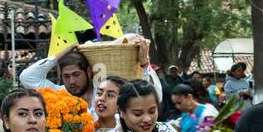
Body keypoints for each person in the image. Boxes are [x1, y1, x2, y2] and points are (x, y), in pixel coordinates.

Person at [20, 36, 161, 110]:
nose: (72, 82)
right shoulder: (60, 95)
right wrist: (60, 55)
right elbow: (27, 77)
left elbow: (153, 96)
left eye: (76, 75)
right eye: (66, 76)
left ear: (88, 71)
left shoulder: (106, 95)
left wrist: (144, 64)